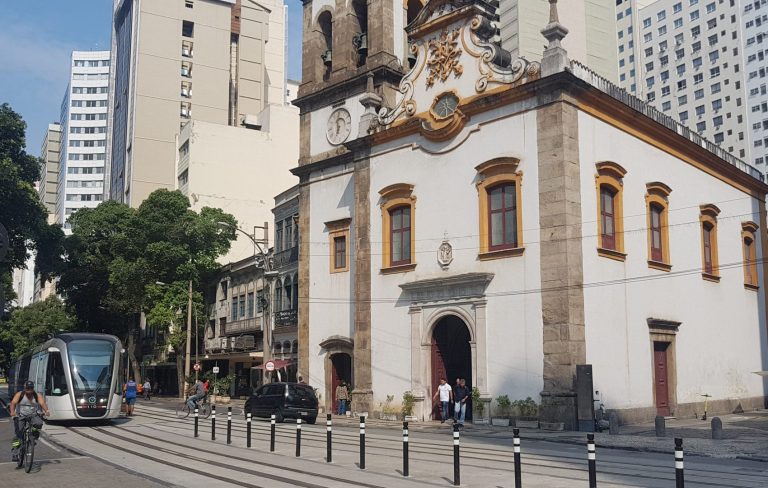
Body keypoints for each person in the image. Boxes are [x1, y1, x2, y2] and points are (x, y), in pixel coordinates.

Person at [10, 381, 50, 461]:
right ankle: (15, 454)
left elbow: (42, 403)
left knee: (39, 423)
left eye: (30, 389)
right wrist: (12, 412)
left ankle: (33, 438)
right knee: (18, 434)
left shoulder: (37, 395)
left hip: (33, 415)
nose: (29, 390)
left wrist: (46, 411)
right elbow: (13, 403)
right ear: (24, 388)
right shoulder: (19, 394)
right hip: (20, 416)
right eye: (27, 389)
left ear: (33, 389)